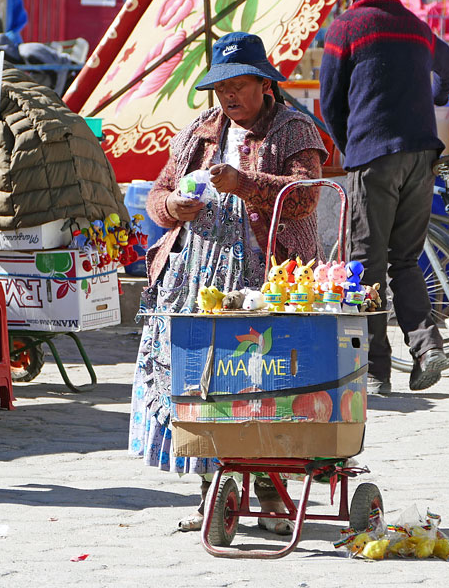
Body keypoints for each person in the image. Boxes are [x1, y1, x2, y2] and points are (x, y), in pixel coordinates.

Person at [128, 32, 328, 533]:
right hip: (197, 277)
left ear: (264, 84)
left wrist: (245, 185)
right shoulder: (201, 130)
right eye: (221, 89)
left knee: (261, 384)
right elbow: (159, 190)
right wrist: (170, 208)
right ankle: (212, 494)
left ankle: (272, 493)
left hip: (266, 277)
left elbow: (306, 197)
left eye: (238, 86)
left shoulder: (294, 129)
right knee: (205, 386)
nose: (229, 97)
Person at [319, 0, 449, 395]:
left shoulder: (344, 28)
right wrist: (432, 101)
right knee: (405, 259)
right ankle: (426, 346)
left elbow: (328, 101)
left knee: (368, 263)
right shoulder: (416, 25)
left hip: (374, 157)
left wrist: (351, 147)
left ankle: (378, 371)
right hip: (422, 153)